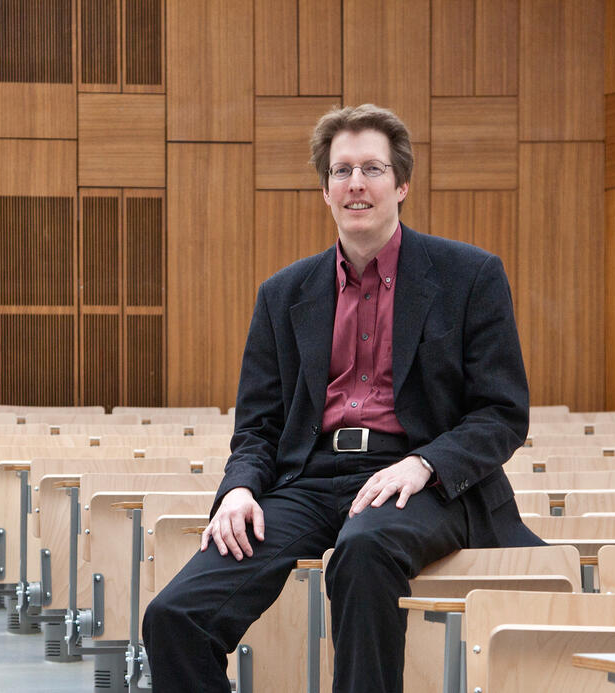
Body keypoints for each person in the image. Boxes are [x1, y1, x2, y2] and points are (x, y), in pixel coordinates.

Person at [141, 104, 544, 693]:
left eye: (373, 169)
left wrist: (425, 462)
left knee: (365, 550)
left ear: (402, 184)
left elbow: (502, 412)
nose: (356, 183)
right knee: (174, 616)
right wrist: (239, 489)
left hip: (416, 480)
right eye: (341, 171)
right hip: (308, 479)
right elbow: (258, 424)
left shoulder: (470, 275)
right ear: (326, 190)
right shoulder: (283, 293)